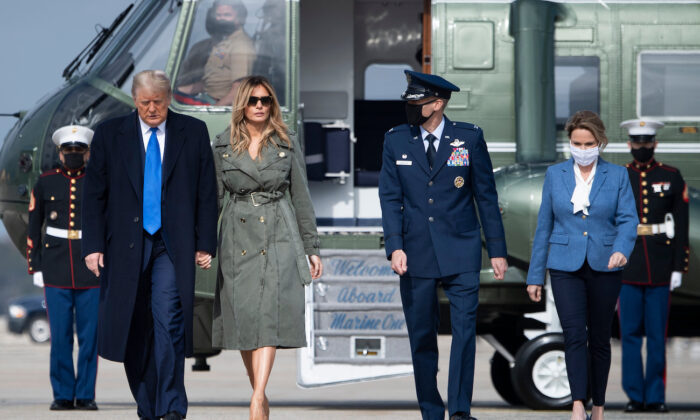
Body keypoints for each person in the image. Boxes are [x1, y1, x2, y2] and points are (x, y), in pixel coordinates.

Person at [81, 70, 218, 420]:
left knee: (168, 320)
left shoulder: (193, 131)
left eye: (158, 101)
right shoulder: (111, 135)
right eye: (145, 103)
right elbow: (94, 195)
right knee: (133, 326)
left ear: (169, 97)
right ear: (135, 100)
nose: (152, 109)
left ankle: (171, 407)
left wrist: (205, 242)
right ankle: (147, 404)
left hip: (170, 246)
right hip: (124, 246)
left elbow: (206, 190)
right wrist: (92, 246)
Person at [378, 70, 508, 420]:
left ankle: (461, 412)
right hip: (415, 252)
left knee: (465, 333)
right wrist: (395, 246)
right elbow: (390, 198)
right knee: (422, 336)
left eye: (417, 101)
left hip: (461, 250)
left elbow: (485, 195)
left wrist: (496, 249)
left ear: (437, 103)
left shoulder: (468, 138)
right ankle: (432, 412)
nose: (411, 107)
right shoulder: (396, 140)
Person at [212, 75, 322, 420]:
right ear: (242, 104)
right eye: (254, 100)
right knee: (246, 321)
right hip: (237, 237)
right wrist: (201, 245)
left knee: (269, 315)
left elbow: (301, 199)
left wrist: (311, 247)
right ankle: (257, 388)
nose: (260, 105)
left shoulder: (287, 144)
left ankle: (258, 397)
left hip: (279, 233)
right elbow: (212, 199)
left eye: (266, 100)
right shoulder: (221, 146)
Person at [526, 110, 638, 420]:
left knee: (600, 338)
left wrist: (621, 250)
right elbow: (544, 227)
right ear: (570, 142)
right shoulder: (555, 174)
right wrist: (535, 276)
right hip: (564, 266)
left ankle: (598, 406)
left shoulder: (616, 176)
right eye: (577, 143)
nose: (583, 149)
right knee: (574, 334)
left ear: (600, 143)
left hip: (605, 264)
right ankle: (577, 404)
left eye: (589, 143)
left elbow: (629, 220)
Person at [619, 119, 690, 414]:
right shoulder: (620, 176)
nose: (642, 148)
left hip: (660, 267)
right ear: (629, 145)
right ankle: (635, 396)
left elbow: (681, 225)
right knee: (630, 336)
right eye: (637, 143)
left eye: (647, 143)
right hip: (628, 265)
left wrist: (678, 267)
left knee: (657, 337)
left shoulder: (671, 176)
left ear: (655, 144)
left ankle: (656, 396)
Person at [27, 125, 99, 411]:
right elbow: (34, 225)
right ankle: (61, 394)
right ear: (59, 152)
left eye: (78, 151)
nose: (72, 155)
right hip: (55, 266)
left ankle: (85, 395)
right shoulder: (45, 182)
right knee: (60, 337)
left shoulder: (97, 181)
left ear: (87, 153)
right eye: (68, 151)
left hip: (90, 266)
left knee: (90, 337)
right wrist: (35, 265)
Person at [178, 0, 255, 106]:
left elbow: (238, 91)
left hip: (217, 103)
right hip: (206, 96)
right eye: (218, 15)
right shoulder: (224, 42)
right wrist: (180, 90)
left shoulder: (240, 46)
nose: (221, 19)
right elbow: (211, 83)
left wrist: (213, 112)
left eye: (227, 15)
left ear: (239, 18)